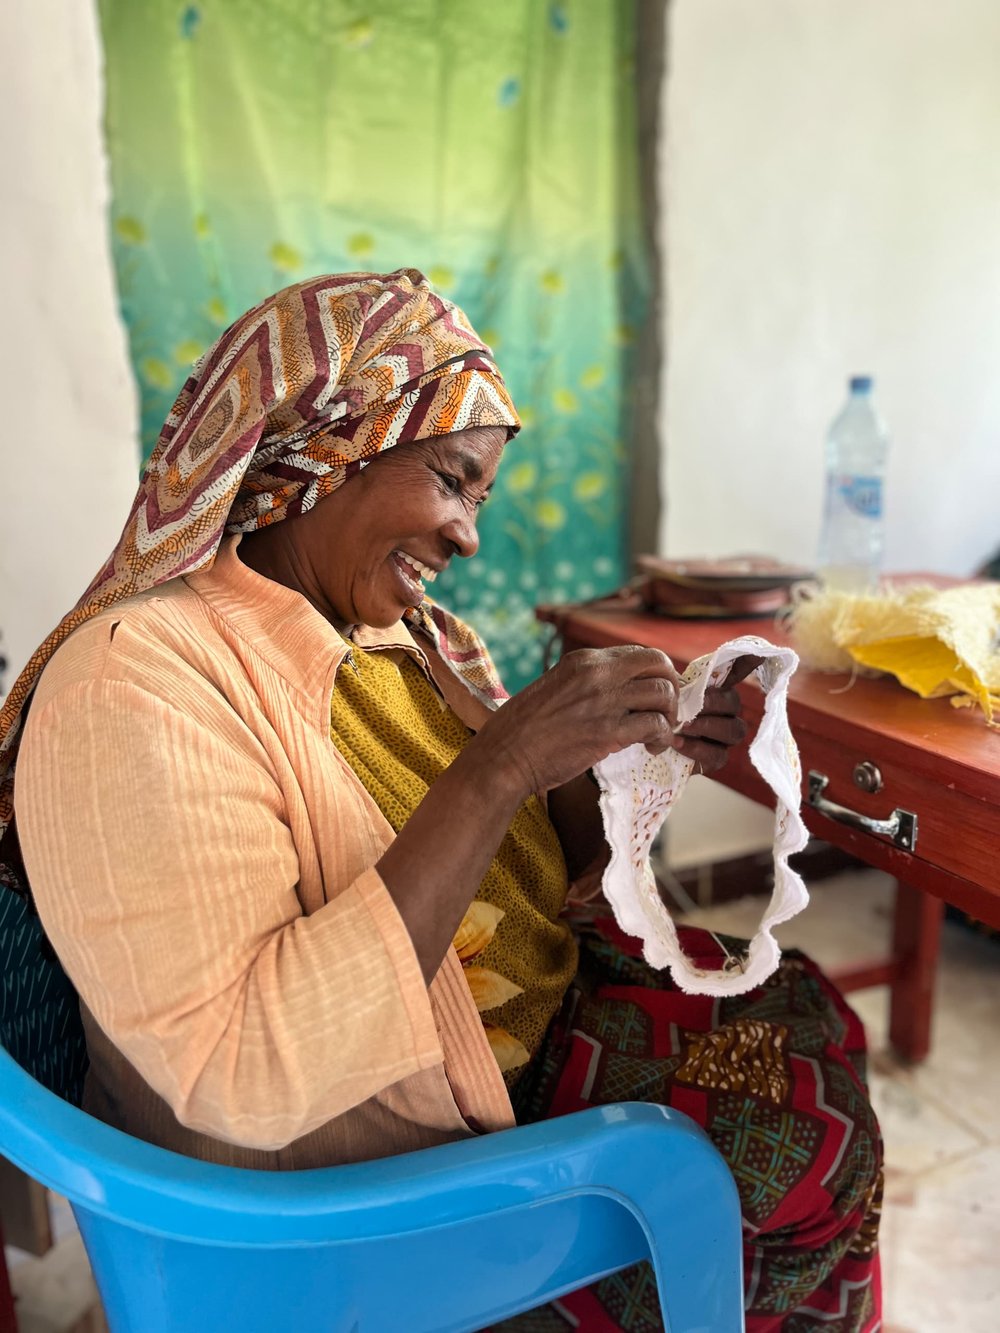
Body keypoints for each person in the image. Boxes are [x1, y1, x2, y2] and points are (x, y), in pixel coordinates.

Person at [0, 270, 881, 1331]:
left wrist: (628, 761)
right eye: (452, 480)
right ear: (331, 442)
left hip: (525, 1037)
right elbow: (248, 1071)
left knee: (814, 1020)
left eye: (481, 498)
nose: (466, 535)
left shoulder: (408, 636)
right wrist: (502, 760)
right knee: (821, 1146)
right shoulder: (136, 680)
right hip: (368, 1181)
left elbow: (527, 869)